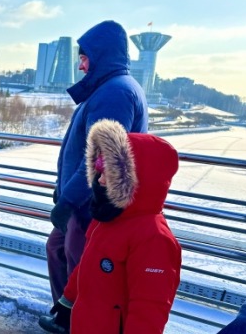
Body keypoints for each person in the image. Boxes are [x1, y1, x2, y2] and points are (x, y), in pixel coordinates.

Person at [40, 119, 182, 333]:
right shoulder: (107, 218)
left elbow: (149, 312)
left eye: (110, 172)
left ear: (135, 179)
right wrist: (68, 300)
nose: (101, 179)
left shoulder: (154, 239)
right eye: (98, 166)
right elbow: (86, 265)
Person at [45, 20, 149, 306]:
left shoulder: (115, 93)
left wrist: (67, 200)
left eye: (84, 58)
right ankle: (65, 316)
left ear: (101, 55)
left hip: (90, 206)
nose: (80, 66)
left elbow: (99, 158)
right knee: (58, 251)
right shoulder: (109, 88)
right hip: (82, 202)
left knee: (83, 272)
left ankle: (75, 321)